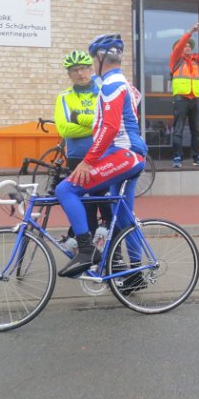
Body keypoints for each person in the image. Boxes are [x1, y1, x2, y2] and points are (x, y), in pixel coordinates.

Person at [55, 34, 148, 279]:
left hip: (124, 154)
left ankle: (86, 251)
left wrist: (88, 161)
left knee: (65, 190)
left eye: (91, 60)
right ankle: (135, 275)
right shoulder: (120, 82)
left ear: (99, 57)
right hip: (129, 154)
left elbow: (110, 128)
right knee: (124, 217)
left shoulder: (110, 84)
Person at [53, 50, 111, 237]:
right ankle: (89, 249)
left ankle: (114, 251)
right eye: (74, 70)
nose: (79, 73)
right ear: (69, 74)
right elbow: (65, 129)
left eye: (83, 68)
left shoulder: (104, 93)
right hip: (77, 159)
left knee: (108, 206)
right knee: (86, 209)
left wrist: (78, 118)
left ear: (91, 69)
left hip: (104, 157)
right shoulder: (64, 97)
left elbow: (111, 123)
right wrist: (98, 126)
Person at [169, 22, 199, 168]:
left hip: (195, 99)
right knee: (178, 130)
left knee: (196, 131)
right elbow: (179, 46)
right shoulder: (175, 60)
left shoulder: (197, 61)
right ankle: (177, 157)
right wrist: (191, 31)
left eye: (189, 46)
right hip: (181, 99)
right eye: (185, 45)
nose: (187, 47)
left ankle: (197, 157)